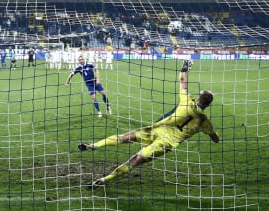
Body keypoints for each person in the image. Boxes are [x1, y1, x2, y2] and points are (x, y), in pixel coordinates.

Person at [78, 60, 219, 189]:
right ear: (208, 105)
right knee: (135, 160)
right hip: (167, 143)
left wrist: (184, 68)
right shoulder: (204, 121)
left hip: (158, 129)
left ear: (199, 97)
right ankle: (104, 180)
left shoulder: (187, 101)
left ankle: (94, 145)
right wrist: (213, 133)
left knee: (125, 137)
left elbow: (182, 81)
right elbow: (215, 138)